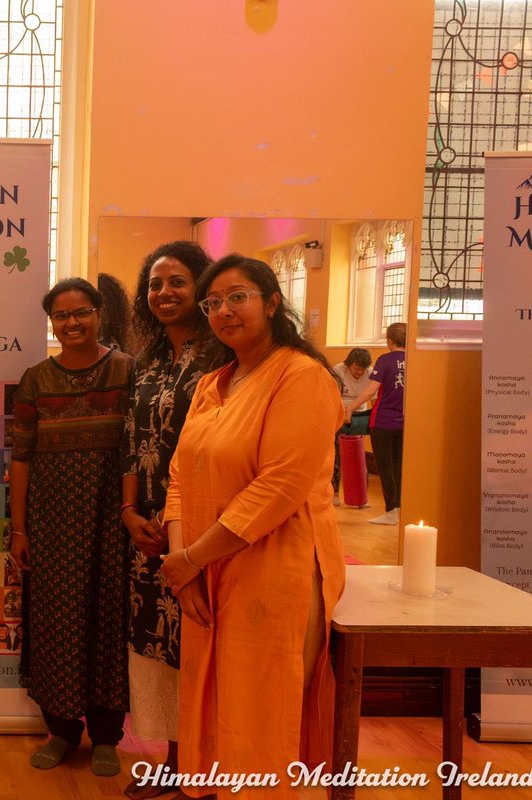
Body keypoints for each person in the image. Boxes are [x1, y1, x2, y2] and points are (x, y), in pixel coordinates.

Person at [159, 255, 345, 799]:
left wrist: (191, 559)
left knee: (263, 711)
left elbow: (278, 489)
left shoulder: (302, 376)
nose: (223, 311)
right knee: (217, 705)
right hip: (204, 570)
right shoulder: (213, 383)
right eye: (213, 302)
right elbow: (179, 477)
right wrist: (184, 569)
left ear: (271, 302)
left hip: (275, 567)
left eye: (237, 297)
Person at [9, 277, 134, 779]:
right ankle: (61, 731)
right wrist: (19, 531)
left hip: (112, 519)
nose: (72, 323)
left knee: (109, 622)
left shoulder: (128, 372)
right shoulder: (36, 379)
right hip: (52, 522)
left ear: (99, 314)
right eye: (61, 316)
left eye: (81, 312)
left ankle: (106, 735)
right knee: (55, 624)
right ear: (51, 322)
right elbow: (21, 458)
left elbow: (141, 445)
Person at [121, 241, 214, 800]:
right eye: (155, 284)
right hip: (147, 529)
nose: (164, 293)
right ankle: (176, 762)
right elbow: (133, 444)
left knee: (201, 644)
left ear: (201, 288)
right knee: (160, 646)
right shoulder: (149, 359)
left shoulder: (223, 356)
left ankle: (203, 767)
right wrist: (129, 510)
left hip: (203, 525)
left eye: (177, 281)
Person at [348, 323, 407, 526]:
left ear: (389, 340)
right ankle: (399, 509)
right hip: (405, 422)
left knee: (385, 467)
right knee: (399, 466)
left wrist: (349, 408)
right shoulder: (414, 359)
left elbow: (370, 391)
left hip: (383, 422)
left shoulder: (385, 360)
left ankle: (391, 511)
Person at [331, 347, 373, 507]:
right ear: (349, 365)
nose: (359, 373)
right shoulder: (338, 370)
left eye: (362, 370)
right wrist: (340, 415)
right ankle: (335, 493)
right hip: (339, 413)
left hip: (359, 415)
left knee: (359, 456)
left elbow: (373, 399)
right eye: (356, 369)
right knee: (336, 455)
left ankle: (361, 497)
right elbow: (331, 395)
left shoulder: (371, 373)